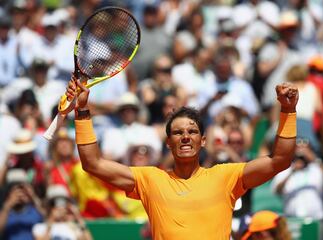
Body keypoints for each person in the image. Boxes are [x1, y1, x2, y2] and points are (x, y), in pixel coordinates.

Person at [65, 73, 298, 239]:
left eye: (192, 131)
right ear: (168, 143)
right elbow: (92, 163)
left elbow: (280, 160)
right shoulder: (150, 179)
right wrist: (82, 110)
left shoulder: (227, 175)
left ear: (203, 141)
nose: (185, 137)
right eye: (177, 132)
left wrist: (288, 111)